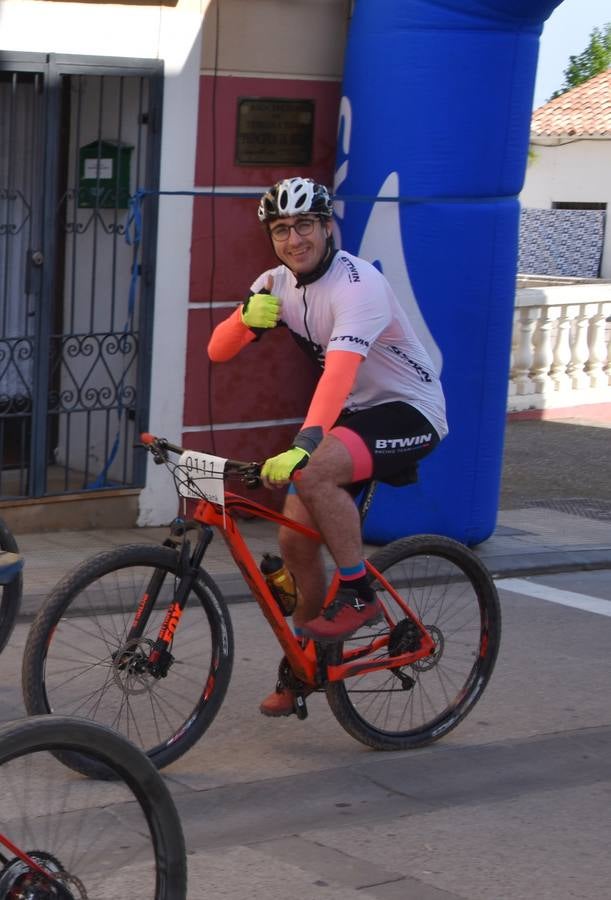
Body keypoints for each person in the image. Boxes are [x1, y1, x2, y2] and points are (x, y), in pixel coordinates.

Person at [208, 176, 448, 716]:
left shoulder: (358, 285)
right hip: (355, 417)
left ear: (326, 225)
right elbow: (217, 350)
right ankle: (307, 665)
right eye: (282, 229)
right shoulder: (275, 283)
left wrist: (302, 447)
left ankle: (358, 589)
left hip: (409, 409)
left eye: (305, 225)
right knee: (293, 543)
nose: (295, 239)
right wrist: (244, 319)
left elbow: (337, 379)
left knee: (312, 473)